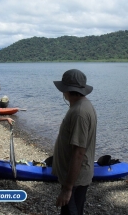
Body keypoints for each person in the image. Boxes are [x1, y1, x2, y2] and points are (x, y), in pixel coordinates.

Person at [52, 69, 97, 215]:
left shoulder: (79, 113)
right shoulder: (79, 107)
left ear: (68, 90)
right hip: (74, 177)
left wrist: (68, 188)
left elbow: (79, 152)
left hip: (75, 180)